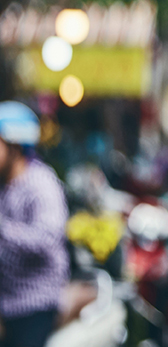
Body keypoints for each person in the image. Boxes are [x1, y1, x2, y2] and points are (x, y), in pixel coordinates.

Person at [0, 101, 68, 347]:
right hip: (6, 304)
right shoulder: (5, 185)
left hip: (35, 305)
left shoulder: (41, 184)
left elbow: (48, 239)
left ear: (14, 146)